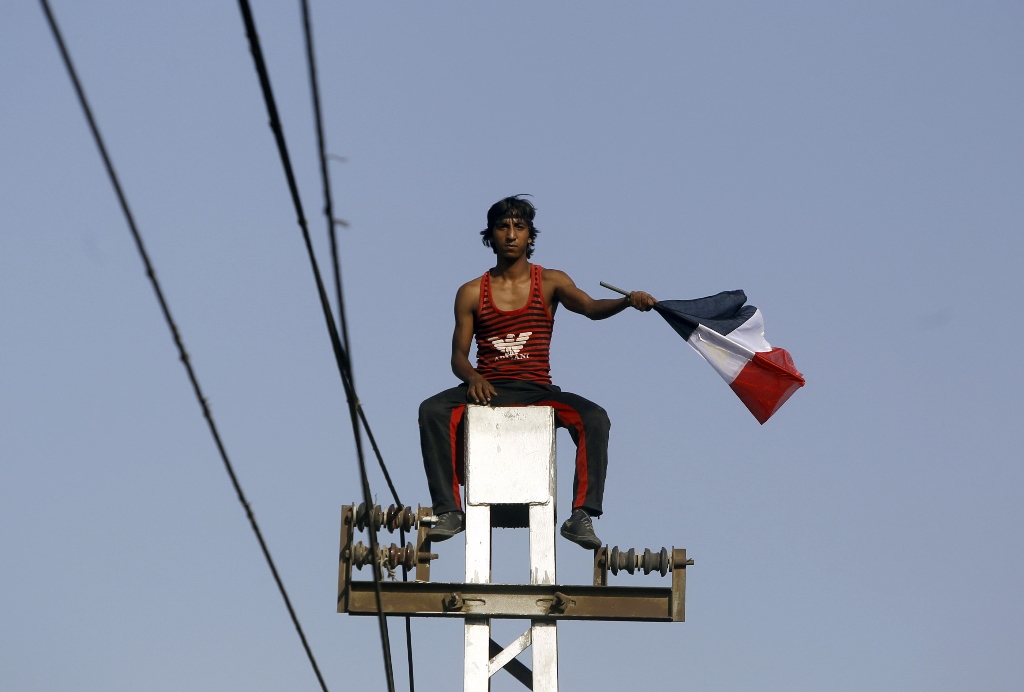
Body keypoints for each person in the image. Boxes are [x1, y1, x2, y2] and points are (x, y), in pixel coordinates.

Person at [419, 196, 656, 549]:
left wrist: (626, 301)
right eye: (503, 227)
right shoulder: (471, 292)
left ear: (530, 236)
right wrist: (473, 378)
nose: (511, 235)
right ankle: (450, 511)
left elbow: (591, 307)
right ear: (491, 236)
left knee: (594, 417)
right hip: (488, 391)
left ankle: (582, 516)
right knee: (432, 410)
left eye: (519, 227)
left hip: (536, 391)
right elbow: (458, 356)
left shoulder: (550, 282)